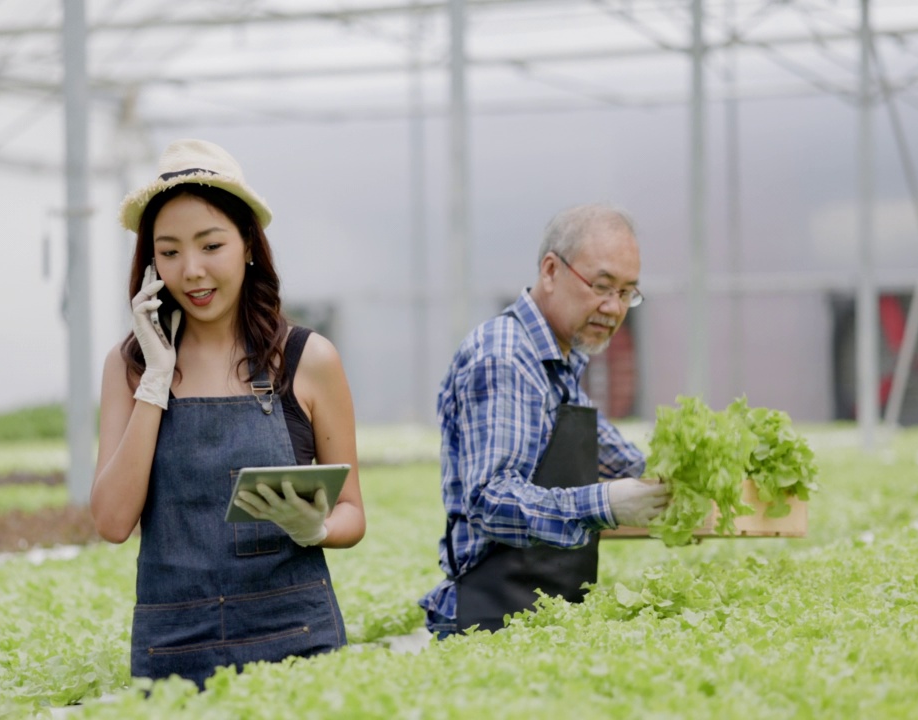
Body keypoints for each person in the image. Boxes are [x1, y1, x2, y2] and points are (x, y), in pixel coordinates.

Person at [90, 139, 365, 688]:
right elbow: (112, 522)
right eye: (168, 252)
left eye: (210, 245)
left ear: (248, 247)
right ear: (149, 266)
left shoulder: (307, 359)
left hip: (296, 637)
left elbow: (354, 513)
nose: (191, 271)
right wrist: (157, 378)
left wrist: (319, 527)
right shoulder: (130, 368)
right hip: (172, 645)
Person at [419, 203, 671, 637]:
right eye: (602, 286)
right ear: (551, 271)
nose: (613, 308)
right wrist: (607, 504)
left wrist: (690, 483)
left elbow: (623, 463)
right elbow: (490, 499)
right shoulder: (505, 356)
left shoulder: (560, 364)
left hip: (542, 620)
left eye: (627, 292)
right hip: (490, 624)